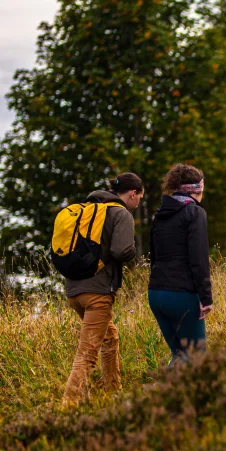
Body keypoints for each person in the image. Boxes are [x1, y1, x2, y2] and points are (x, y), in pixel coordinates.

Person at [63, 172, 144, 406]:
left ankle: (113, 393)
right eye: (139, 197)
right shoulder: (121, 214)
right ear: (132, 193)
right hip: (97, 293)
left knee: (110, 337)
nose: (138, 203)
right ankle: (67, 407)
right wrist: (132, 251)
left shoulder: (86, 210)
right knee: (87, 353)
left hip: (74, 291)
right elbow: (121, 251)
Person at [148, 164, 213, 366]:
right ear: (198, 189)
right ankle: (160, 396)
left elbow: (154, 257)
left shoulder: (159, 215)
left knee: (180, 355)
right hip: (182, 295)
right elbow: (199, 258)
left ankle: (165, 395)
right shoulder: (195, 213)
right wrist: (205, 297)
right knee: (195, 356)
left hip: (156, 294)